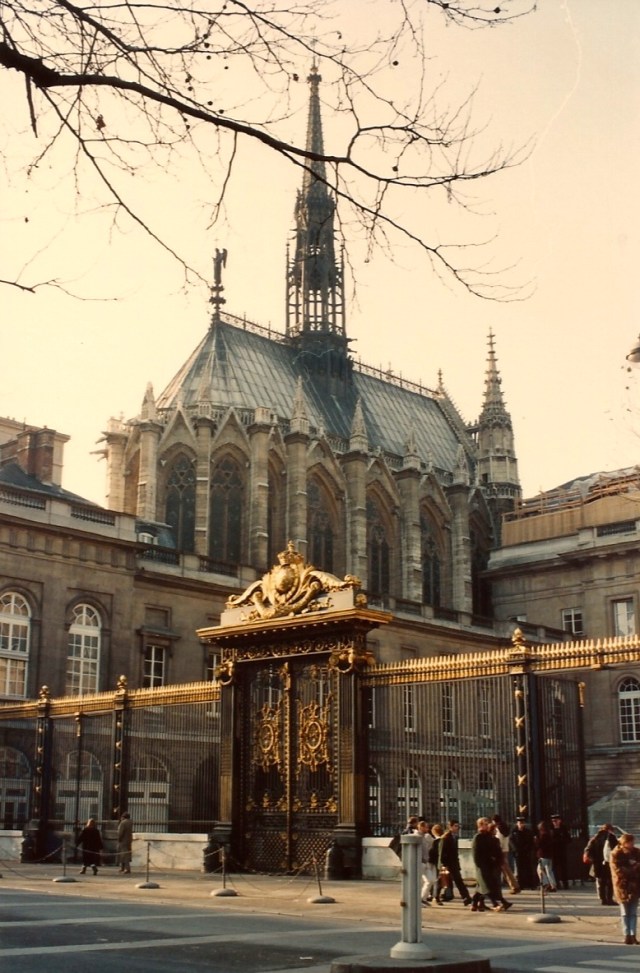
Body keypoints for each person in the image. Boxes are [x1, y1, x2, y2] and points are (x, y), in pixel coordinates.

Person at [470, 817, 512, 912]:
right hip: (482, 866)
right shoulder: (478, 837)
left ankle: (475, 904)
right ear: (480, 825)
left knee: (483, 886)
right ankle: (497, 903)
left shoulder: (487, 836)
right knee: (487, 886)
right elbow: (475, 853)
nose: (487, 825)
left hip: (489, 865)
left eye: (487, 823)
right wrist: (479, 865)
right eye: (485, 824)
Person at [610, 832, 640, 945]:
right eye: (629, 842)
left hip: (635, 885)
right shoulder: (616, 854)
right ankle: (626, 934)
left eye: (632, 842)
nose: (632, 844)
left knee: (633, 912)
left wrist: (635, 865)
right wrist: (633, 867)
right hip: (622, 886)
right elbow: (618, 871)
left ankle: (633, 935)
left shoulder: (637, 852)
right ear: (623, 843)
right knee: (625, 912)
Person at [439, 820, 472, 906]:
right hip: (448, 863)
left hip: (454, 863)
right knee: (444, 881)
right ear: (450, 827)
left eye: (458, 826)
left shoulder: (455, 837)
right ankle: (438, 895)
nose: (457, 828)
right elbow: (442, 852)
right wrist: (444, 864)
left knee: (458, 880)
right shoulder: (446, 838)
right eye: (455, 826)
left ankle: (466, 897)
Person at [585, 823, 617, 905]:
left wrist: (593, 859)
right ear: (610, 830)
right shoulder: (611, 837)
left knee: (601, 881)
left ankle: (603, 899)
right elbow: (616, 849)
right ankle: (609, 899)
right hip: (608, 862)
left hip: (597, 863)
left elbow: (588, 850)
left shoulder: (595, 838)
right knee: (610, 881)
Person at [491, 814, 520, 894]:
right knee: (505, 869)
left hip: (500, 851)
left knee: (504, 869)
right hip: (505, 849)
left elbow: (498, 841)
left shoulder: (499, 829)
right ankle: (514, 886)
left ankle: (514, 886)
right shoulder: (505, 827)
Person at [509, 817, 537, 890]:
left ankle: (531, 884)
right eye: (519, 823)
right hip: (518, 853)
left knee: (528, 868)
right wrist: (515, 849)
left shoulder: (528, 831)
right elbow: (511, 841)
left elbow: (531, 841)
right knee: (519, 869)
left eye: (522, 823)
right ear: (517, 823)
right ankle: (521, 884)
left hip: (526, 852)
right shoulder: (514, 831)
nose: (521, 824)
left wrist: (527, 849)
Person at [549, 812, 571, 889]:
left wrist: (562, 840)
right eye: (553, 821)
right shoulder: (550, 829)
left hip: (562, 851)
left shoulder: (564, 828)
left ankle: (565, 884)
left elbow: (568, 839)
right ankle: (557, 883)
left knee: (563, 868)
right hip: (553, 851)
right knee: (554, 868)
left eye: (556, 821)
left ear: (559, 821)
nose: (554, 822)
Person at [534, 820, 557, 892]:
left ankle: (545, 883)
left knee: (539, 869)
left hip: (543, 856)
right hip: (550, 856)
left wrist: (536, 840)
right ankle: (553, 885)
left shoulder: (543, 836)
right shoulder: (550, 835)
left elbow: (540, 845)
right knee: (549, 871)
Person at [417, 820, 436, 904]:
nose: (427, 829)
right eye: (426, 827)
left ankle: (422, 898)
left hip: (426, 862)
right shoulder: (417, 837)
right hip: (420, 862)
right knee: (418, 882)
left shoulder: (425, 837)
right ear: (421, 827)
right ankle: (418, 900)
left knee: (430, 880)